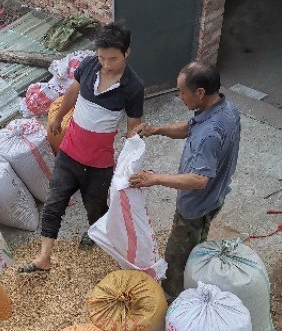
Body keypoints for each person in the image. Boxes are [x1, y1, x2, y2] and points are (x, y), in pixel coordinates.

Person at [18, 21, 144, 273]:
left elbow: (133, 127)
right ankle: (44, 257)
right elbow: (73, 92)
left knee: (95, 207)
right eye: (102, 58)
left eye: (113, 59)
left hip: (99, 163)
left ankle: (95, 232)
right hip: (70, 152)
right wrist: (56, 117)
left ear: (126, 53)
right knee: (55, 202)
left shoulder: (134, 87)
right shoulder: (88, 65)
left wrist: (133, 159)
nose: (106, 65)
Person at [128, 61, 240, 298]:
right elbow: (189, 128)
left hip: (195, 207)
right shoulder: (226, 108)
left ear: (200, 93)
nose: (179, 97)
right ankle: (194, 261)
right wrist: (156, 130)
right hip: (215, 198)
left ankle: (171, 299)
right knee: (196, 243)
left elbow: (199, 180)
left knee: (175, 258)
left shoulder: (210, 133)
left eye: (182, 92)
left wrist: (155, 178)